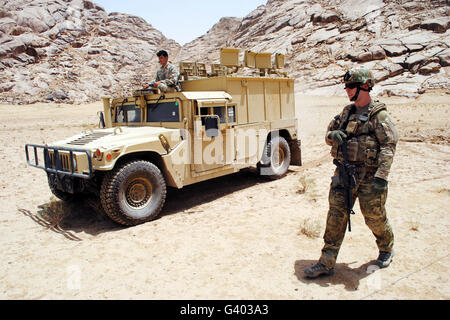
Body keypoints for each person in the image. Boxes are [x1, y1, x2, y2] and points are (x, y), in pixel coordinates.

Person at [304, 67, 398, 278]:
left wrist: (382, 177)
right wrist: (332, 135)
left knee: (374, 217)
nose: (347, 90)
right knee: (336, 216)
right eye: (346, 86)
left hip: (369, 177)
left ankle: (386, 247)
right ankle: (326, 262)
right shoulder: (346, 113)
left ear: (365, 86)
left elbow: (389, 146)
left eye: (351, 86)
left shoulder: (378, 115)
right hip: (344, 174)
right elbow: (328, 134)